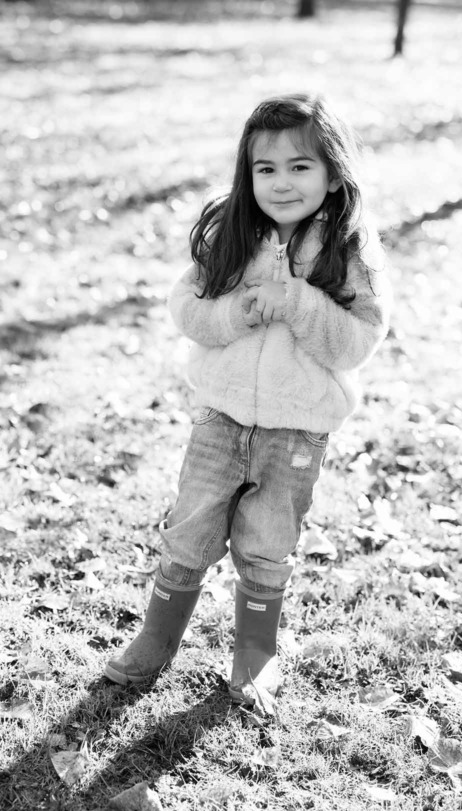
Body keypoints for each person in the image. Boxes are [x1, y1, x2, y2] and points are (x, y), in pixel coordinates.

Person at [104, 93, 394, 711]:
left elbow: (357, 343)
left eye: (300, 167)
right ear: (247, 172)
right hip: (221, 415)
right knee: (190, 530)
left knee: (266, 541)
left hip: (297, 429)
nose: (282, 183)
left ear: (333, 172)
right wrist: (233, 313)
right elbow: (186, 308)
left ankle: (256, 652)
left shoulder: (349, 251)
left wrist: (300, 302)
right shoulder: (230, 231)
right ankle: (156, 641)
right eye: (267, 169)